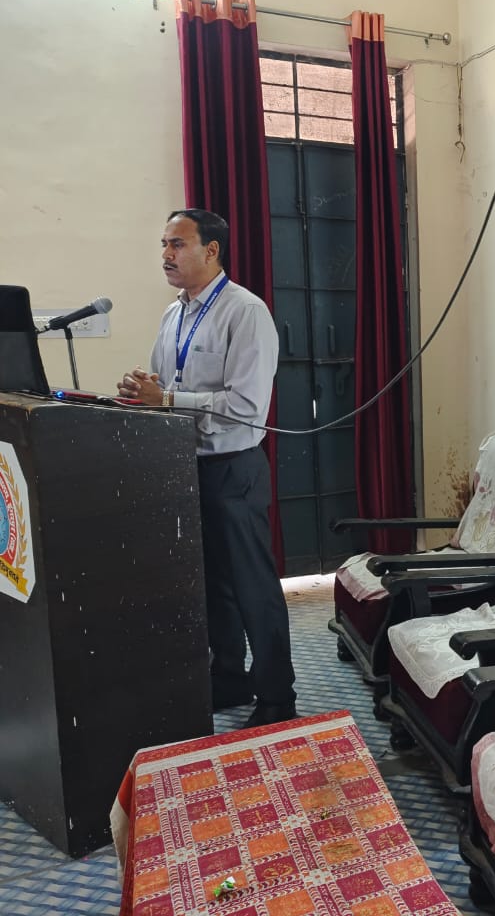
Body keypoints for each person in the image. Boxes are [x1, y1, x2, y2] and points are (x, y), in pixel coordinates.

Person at [118, 209, 296, 728]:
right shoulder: (173, 315)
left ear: (211, 251)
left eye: (177, 244)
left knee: (253, 585)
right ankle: (231, 676)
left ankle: (277, 696)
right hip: (184, 465)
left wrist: (167, 399)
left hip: (233, 468)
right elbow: (164, 385)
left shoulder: (246, 312)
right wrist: (143, 390)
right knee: (212, 581)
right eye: (164, 244)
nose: (166, 255)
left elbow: (246, 407)